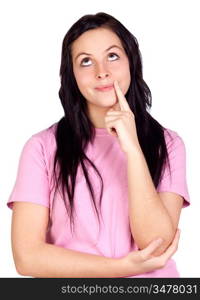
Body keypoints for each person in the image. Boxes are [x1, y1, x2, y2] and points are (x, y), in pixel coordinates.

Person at [7, 12, 190, 278]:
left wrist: (133, 149)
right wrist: (120, 269)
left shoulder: (168, 144)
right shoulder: (42, 148)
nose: (101, 72)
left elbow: (156, 244)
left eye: (112, 56)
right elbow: (27, 258)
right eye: (85, 62)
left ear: (132, 62)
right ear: (72, 75)